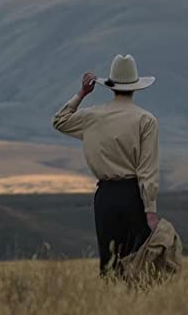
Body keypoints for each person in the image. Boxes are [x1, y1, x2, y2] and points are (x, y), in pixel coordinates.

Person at [52, 54, 160, 276]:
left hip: (106, 196)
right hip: (135, 196)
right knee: (138, 263)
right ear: (135, 87)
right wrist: (150, 210)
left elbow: (59, 121)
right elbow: (147, 169)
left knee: (109, 263)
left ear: (111, 86)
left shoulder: (93, 116)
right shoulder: (145, 120)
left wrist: (82, 94)